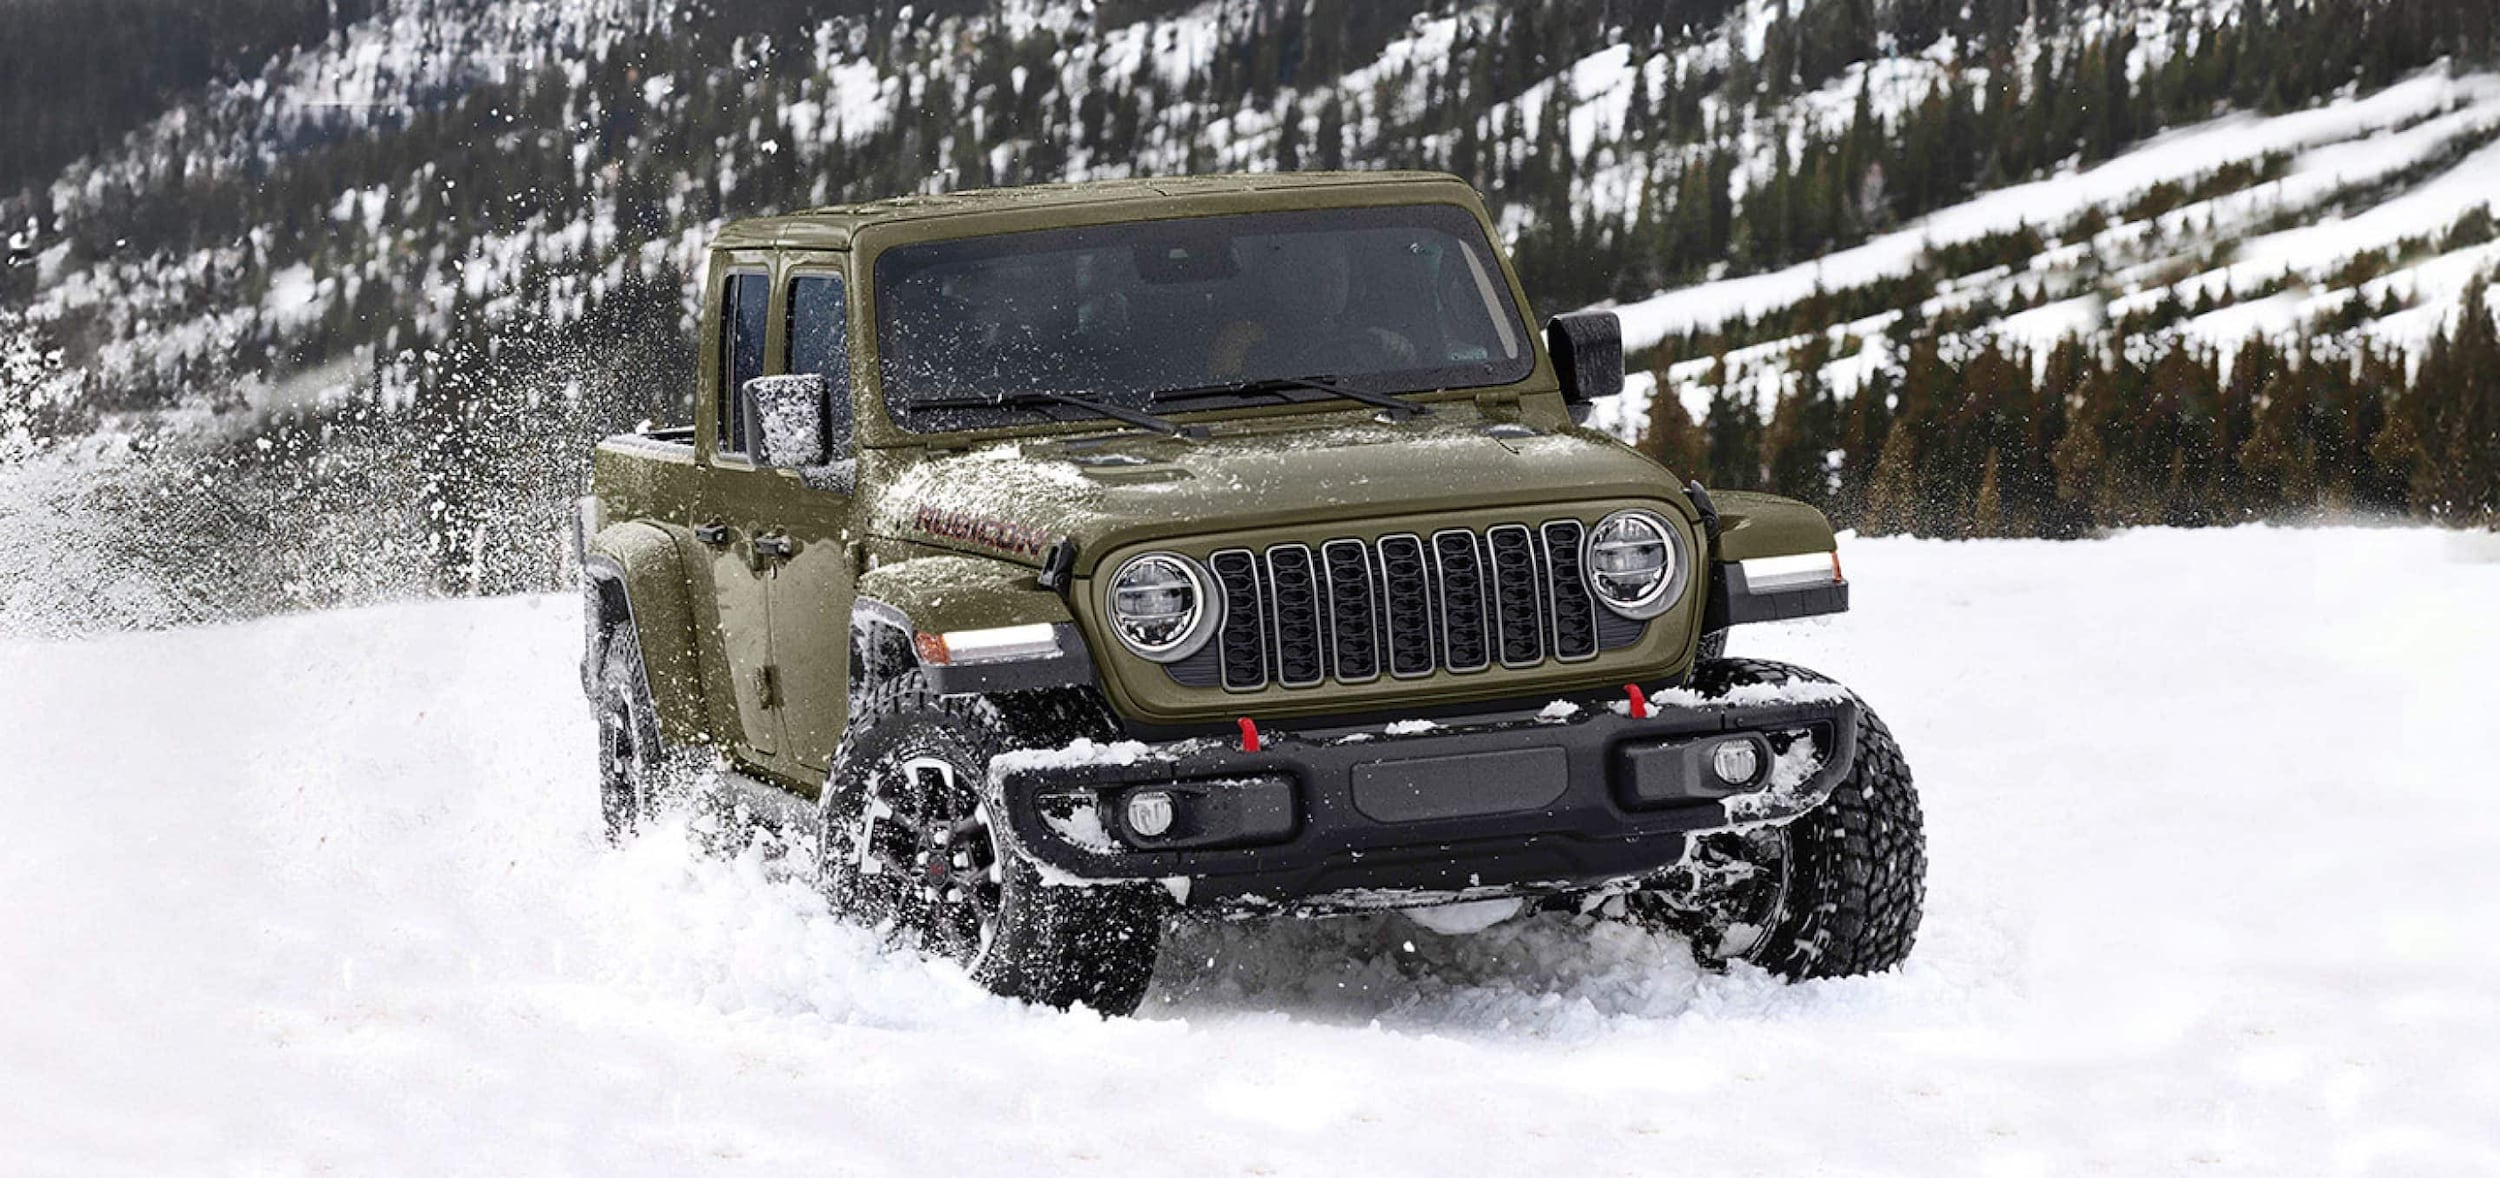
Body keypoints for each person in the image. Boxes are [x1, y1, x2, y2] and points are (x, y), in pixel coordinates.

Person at [1207, 235, 1415, 379]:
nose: (1324, 289)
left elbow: (1414, 384)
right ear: (1279, 283)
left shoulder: (1371, 338)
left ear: (1351, 283)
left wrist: (1397, 350)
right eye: (1310, 277)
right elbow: (1223, 396)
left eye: (1334, 277)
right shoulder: (1244, 337)